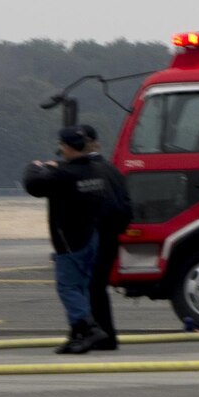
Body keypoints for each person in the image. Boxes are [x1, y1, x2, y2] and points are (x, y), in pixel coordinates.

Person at [23, 127, 115, 355]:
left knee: (67, 288)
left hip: (69, 241)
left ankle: (87, 328)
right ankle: (77, 336)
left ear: (67, 147)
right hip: (91, 236)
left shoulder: (64, 174)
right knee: (81, 287)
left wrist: (35, 167)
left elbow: (33, 185)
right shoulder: (96, 171)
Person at [79, 124, 132, 350]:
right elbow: (126, 205)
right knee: (98, 287)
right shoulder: (111, 169)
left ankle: (99, 334)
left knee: (90, 287)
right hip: (111, 235)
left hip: (95, 235)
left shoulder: (88, 171)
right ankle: (106, 333)